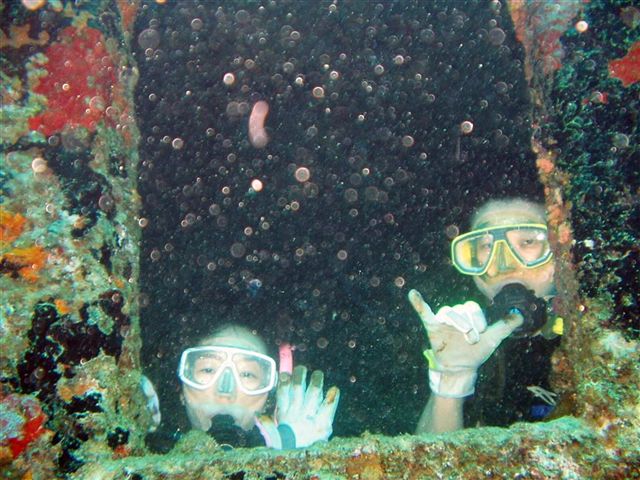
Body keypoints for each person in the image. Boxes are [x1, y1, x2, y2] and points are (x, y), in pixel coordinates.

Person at [410, 198, 561, 434]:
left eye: (528, 241)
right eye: (486, 246)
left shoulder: (607, 329)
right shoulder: (463, 338)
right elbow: (429, 465)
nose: (503, 265)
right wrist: (451, 379)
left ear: (561, 246)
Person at [144, 324, 340, 449]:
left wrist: (296, 458)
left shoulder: (291, 445)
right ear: (181, 390)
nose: (225, 391)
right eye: (208, 370)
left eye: (247, 374)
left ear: (268, 398)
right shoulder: (145, 452)